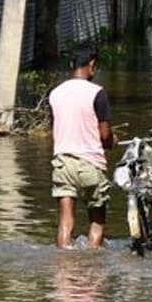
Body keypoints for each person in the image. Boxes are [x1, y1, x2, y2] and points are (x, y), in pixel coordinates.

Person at [48, 43, 115, 249]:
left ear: (71, 64)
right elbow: (104, 136)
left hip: (63, 163)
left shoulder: (55, 93)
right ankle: (90, 266)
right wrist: (112, 140)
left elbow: (55, 128)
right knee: (97, 220)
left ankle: (63, 266)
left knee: (65, 223)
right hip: (90, 165)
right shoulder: (97, 93)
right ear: (92, 65)